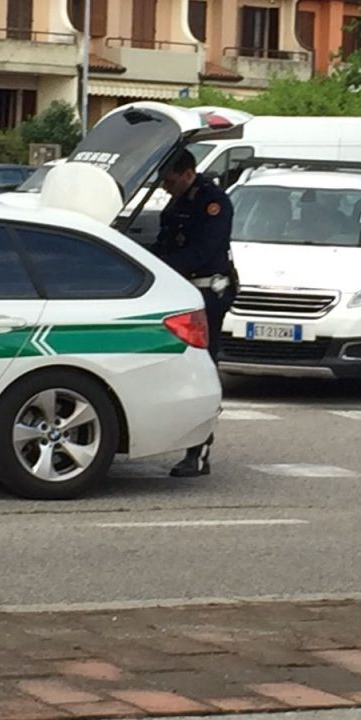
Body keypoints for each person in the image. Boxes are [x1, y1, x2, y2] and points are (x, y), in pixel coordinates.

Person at [154, 148, 236, 477]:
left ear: (188, 173)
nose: (164, 187)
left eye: (170, 180)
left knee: (201, 369)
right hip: (180, 291)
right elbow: (166, 242)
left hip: (206, 292)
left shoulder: (213, 203)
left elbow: (202, 250)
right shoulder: (178, 202)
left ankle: (198, 451)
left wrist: (160, 269)